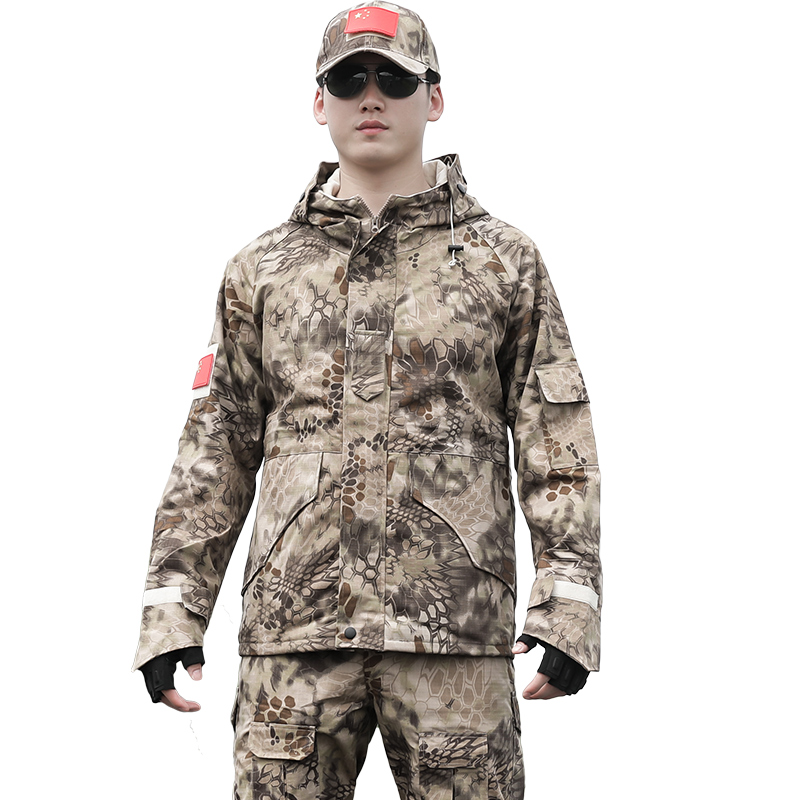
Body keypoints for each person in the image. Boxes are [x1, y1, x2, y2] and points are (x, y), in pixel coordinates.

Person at [133, 3, 602, 798]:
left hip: (453, 641)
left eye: (395, 77)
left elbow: (557, 441)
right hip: (294, 642)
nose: (371, 95)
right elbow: (215, 448)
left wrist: (567, 609)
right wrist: (173, 611)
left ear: (435, 97)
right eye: (349, 79)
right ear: (320, 102)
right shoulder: (262, 270)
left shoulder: (504, 262)